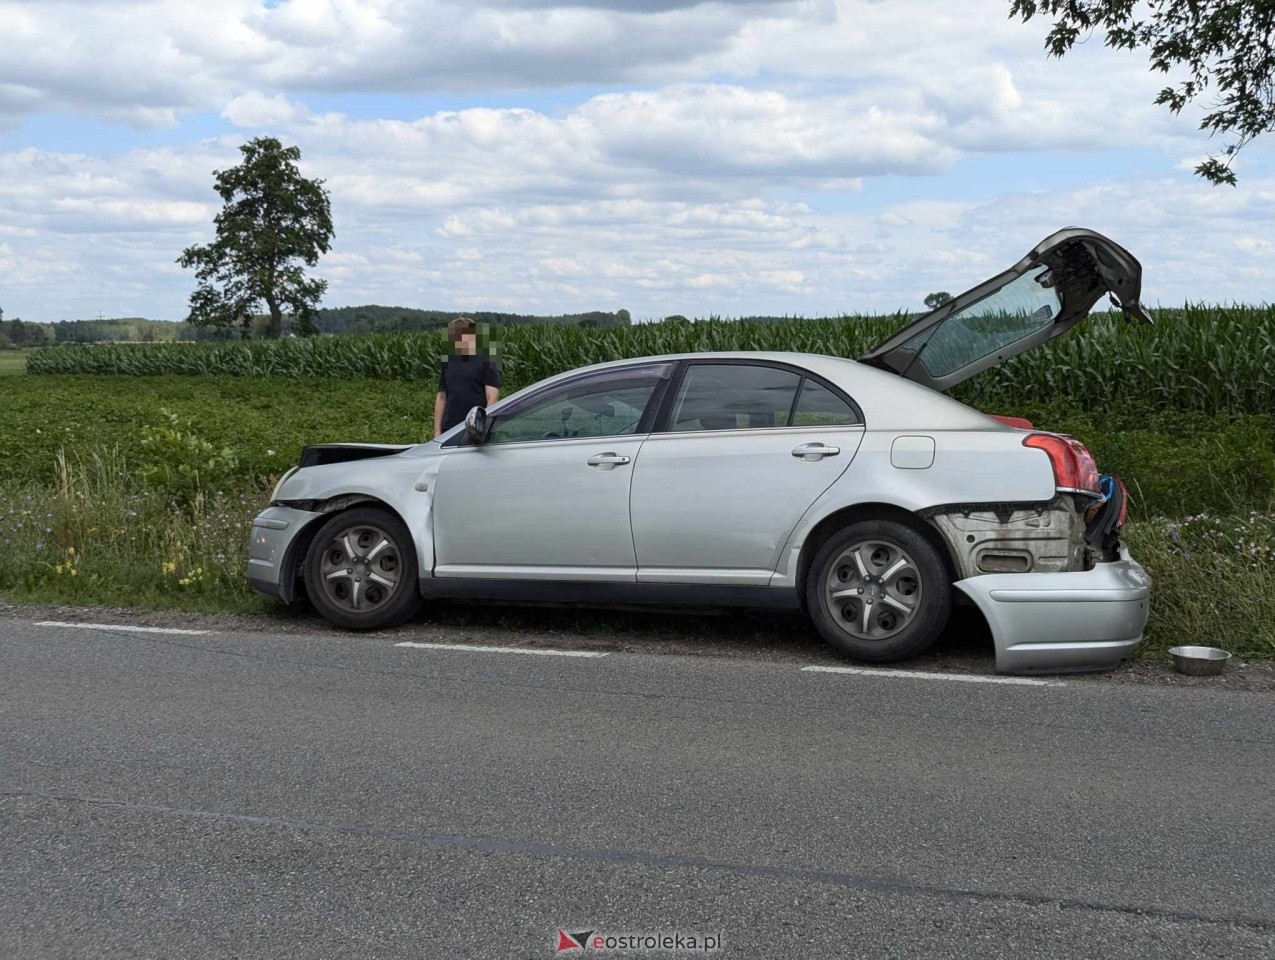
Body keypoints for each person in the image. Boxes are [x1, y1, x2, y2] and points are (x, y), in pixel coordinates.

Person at [434, 316, 501, 437]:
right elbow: (441, 397)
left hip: (474, 428)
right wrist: (437, 431)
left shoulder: (487, 361)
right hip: (449, 428)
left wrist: (483, 427)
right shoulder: (448, 360)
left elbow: (492, 397)